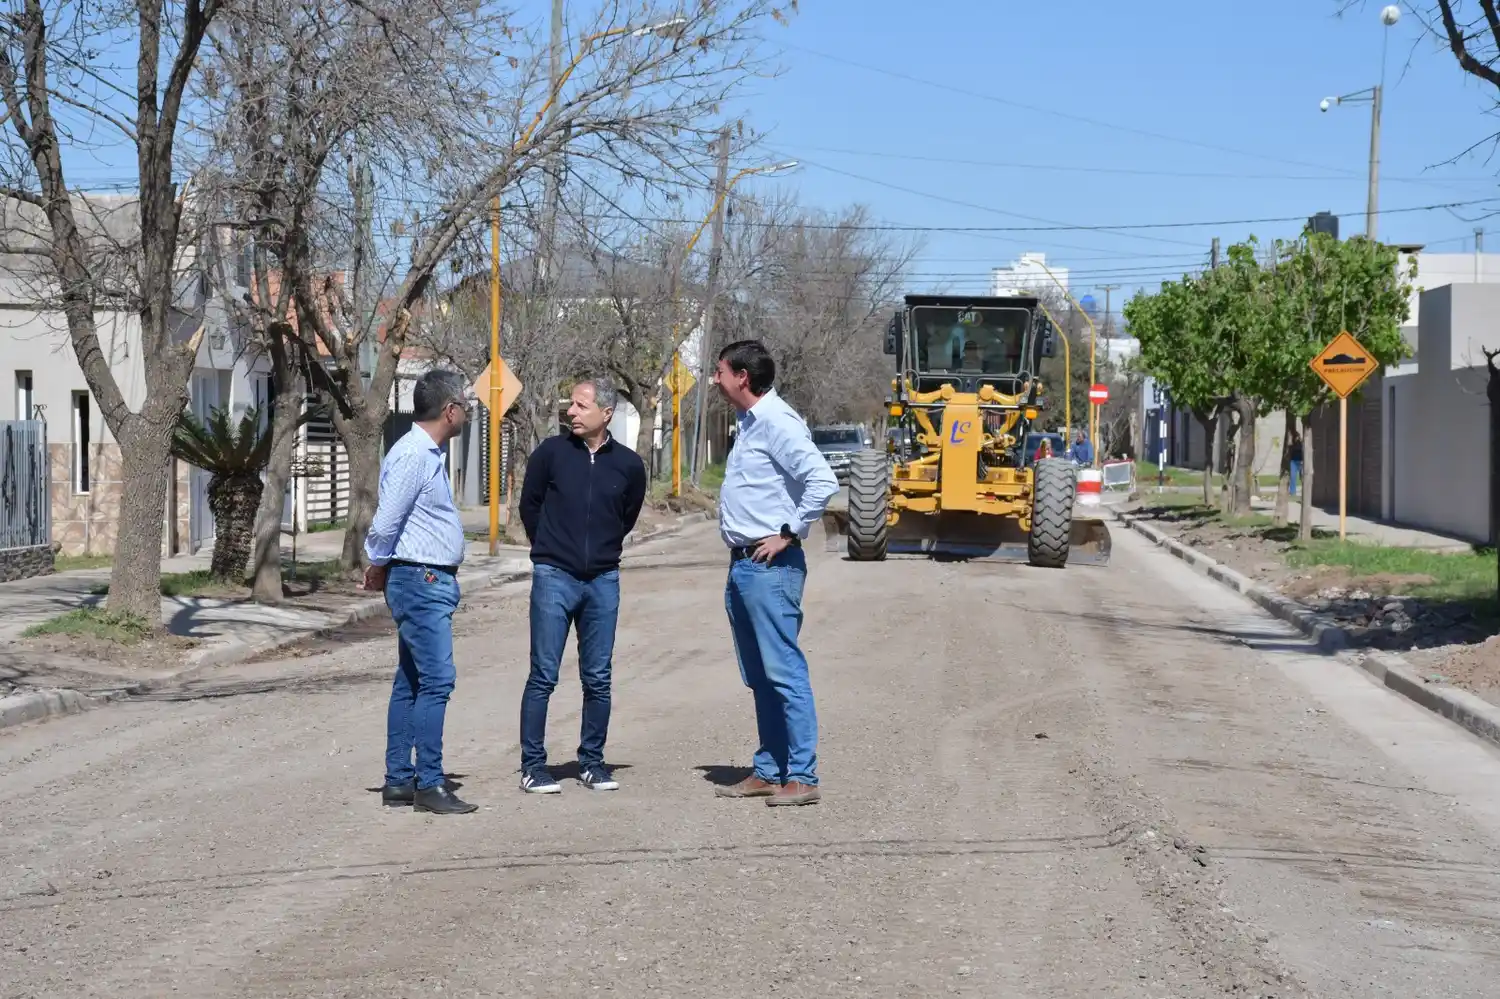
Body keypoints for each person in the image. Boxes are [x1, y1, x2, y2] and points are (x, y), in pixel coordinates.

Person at [710, 340, 840, 807]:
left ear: (742, 376)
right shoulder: (750, 423)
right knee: (760, 675)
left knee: (783, 672)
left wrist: (788, 532)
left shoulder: (777, 421)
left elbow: (822, 480)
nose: (715, 378)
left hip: (770, 567)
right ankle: (769, 769)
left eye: (720, 370)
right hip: (744, 565)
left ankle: (802, 776)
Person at [516, 376, 647, 794]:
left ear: (606, 414)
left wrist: (602, 549)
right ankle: (533, 767)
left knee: (598, 677)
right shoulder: (551, 454)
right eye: (571, 405)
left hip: (603, 581)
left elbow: (627, 515)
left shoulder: (628, 464)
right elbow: (529, 504)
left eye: (580, 405)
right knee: (543, 675)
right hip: (554, 576)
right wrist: (550, 548)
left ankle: (592, 762)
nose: (571, 412)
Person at [364, 368, 477, 815]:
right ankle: (429, 784)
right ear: (450, 411)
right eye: (465, 405)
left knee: (411, 679)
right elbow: (387, 519)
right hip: (421, 579)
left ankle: (399, 780)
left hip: (424, 579)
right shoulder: (414, 454)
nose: (467, 412)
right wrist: (376, 563)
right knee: (436, 681)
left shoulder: (426, 453)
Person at [1288, 431, 1304, 497]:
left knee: (1302, 477)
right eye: (1295, 437)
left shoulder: (1302, 443)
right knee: (1293, 477)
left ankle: (1304, 490)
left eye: (1297, 436)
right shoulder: (1292, 444)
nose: (1297, 438)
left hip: (1300, 462)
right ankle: (1292, 492)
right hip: (1293, 462)